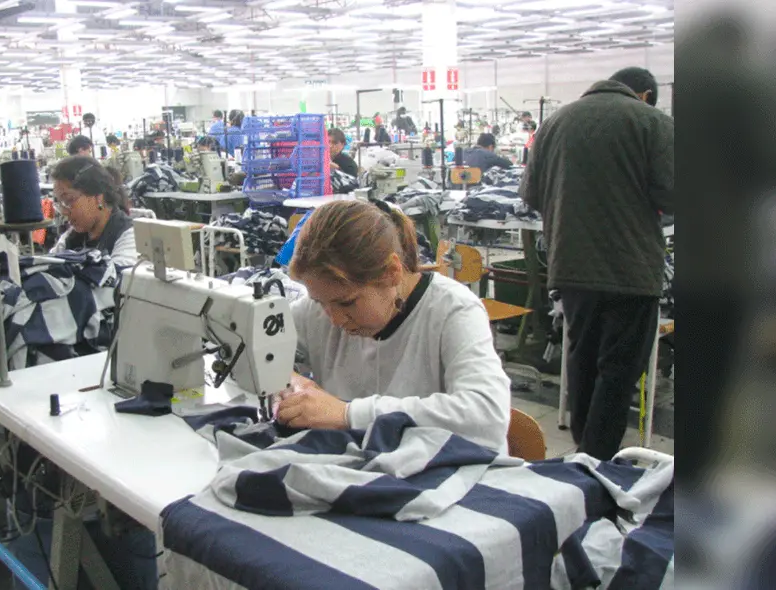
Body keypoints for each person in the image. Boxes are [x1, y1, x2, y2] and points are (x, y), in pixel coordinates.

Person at [520, 66, 673, 460]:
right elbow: (674, 195)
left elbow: (530, 194)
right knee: (620, 368)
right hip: (631, 269)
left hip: (570, 265)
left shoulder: (554, 123)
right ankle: (599, 459)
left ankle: (583, 453)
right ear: (644, 95)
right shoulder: (652, 122)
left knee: (583, 357)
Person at [278, 200, 512, 452]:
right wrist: (289, 381)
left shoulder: (453, 310)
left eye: (347, 303)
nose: (333, 319)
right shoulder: (320, 308)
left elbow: (487, 415)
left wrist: (348, 414)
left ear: (392, 271)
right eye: (320, 302)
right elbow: (249, 347)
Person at [49, 156, 137, 263]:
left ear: (98, 196)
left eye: (69, 200)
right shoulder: (70, 238)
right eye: (60, 204)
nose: (64, 212)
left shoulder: (128, 237)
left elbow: (116, 277)